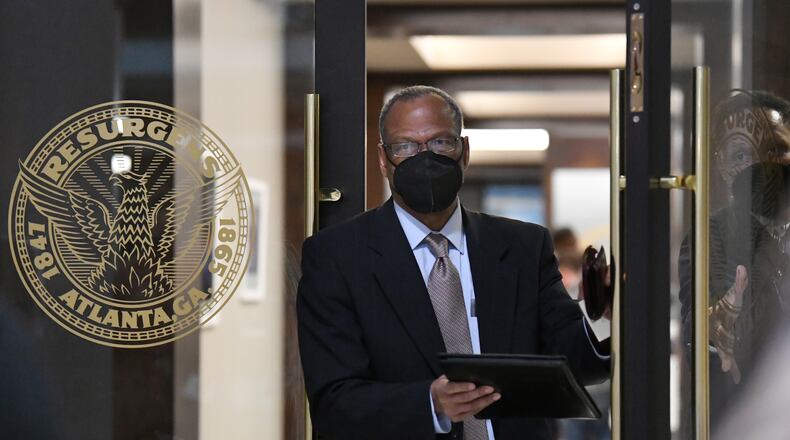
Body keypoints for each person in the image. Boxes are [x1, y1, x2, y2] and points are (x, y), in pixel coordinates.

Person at [297, 85, 610, 440]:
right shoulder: (336, 257)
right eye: (406, 146)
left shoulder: (523, 246)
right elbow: (333, 403)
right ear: (384, 159)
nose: (424, 157)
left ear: (464, 152)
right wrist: (431, 403)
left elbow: (573, 363)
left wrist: (603, 312)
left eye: (440, 142)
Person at [678, 90, 790, 433]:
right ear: (721, 166)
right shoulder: (711, 237)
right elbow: (698, 326)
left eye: (776, 151)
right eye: (742, 155)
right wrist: (723, 318)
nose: (761, 169)